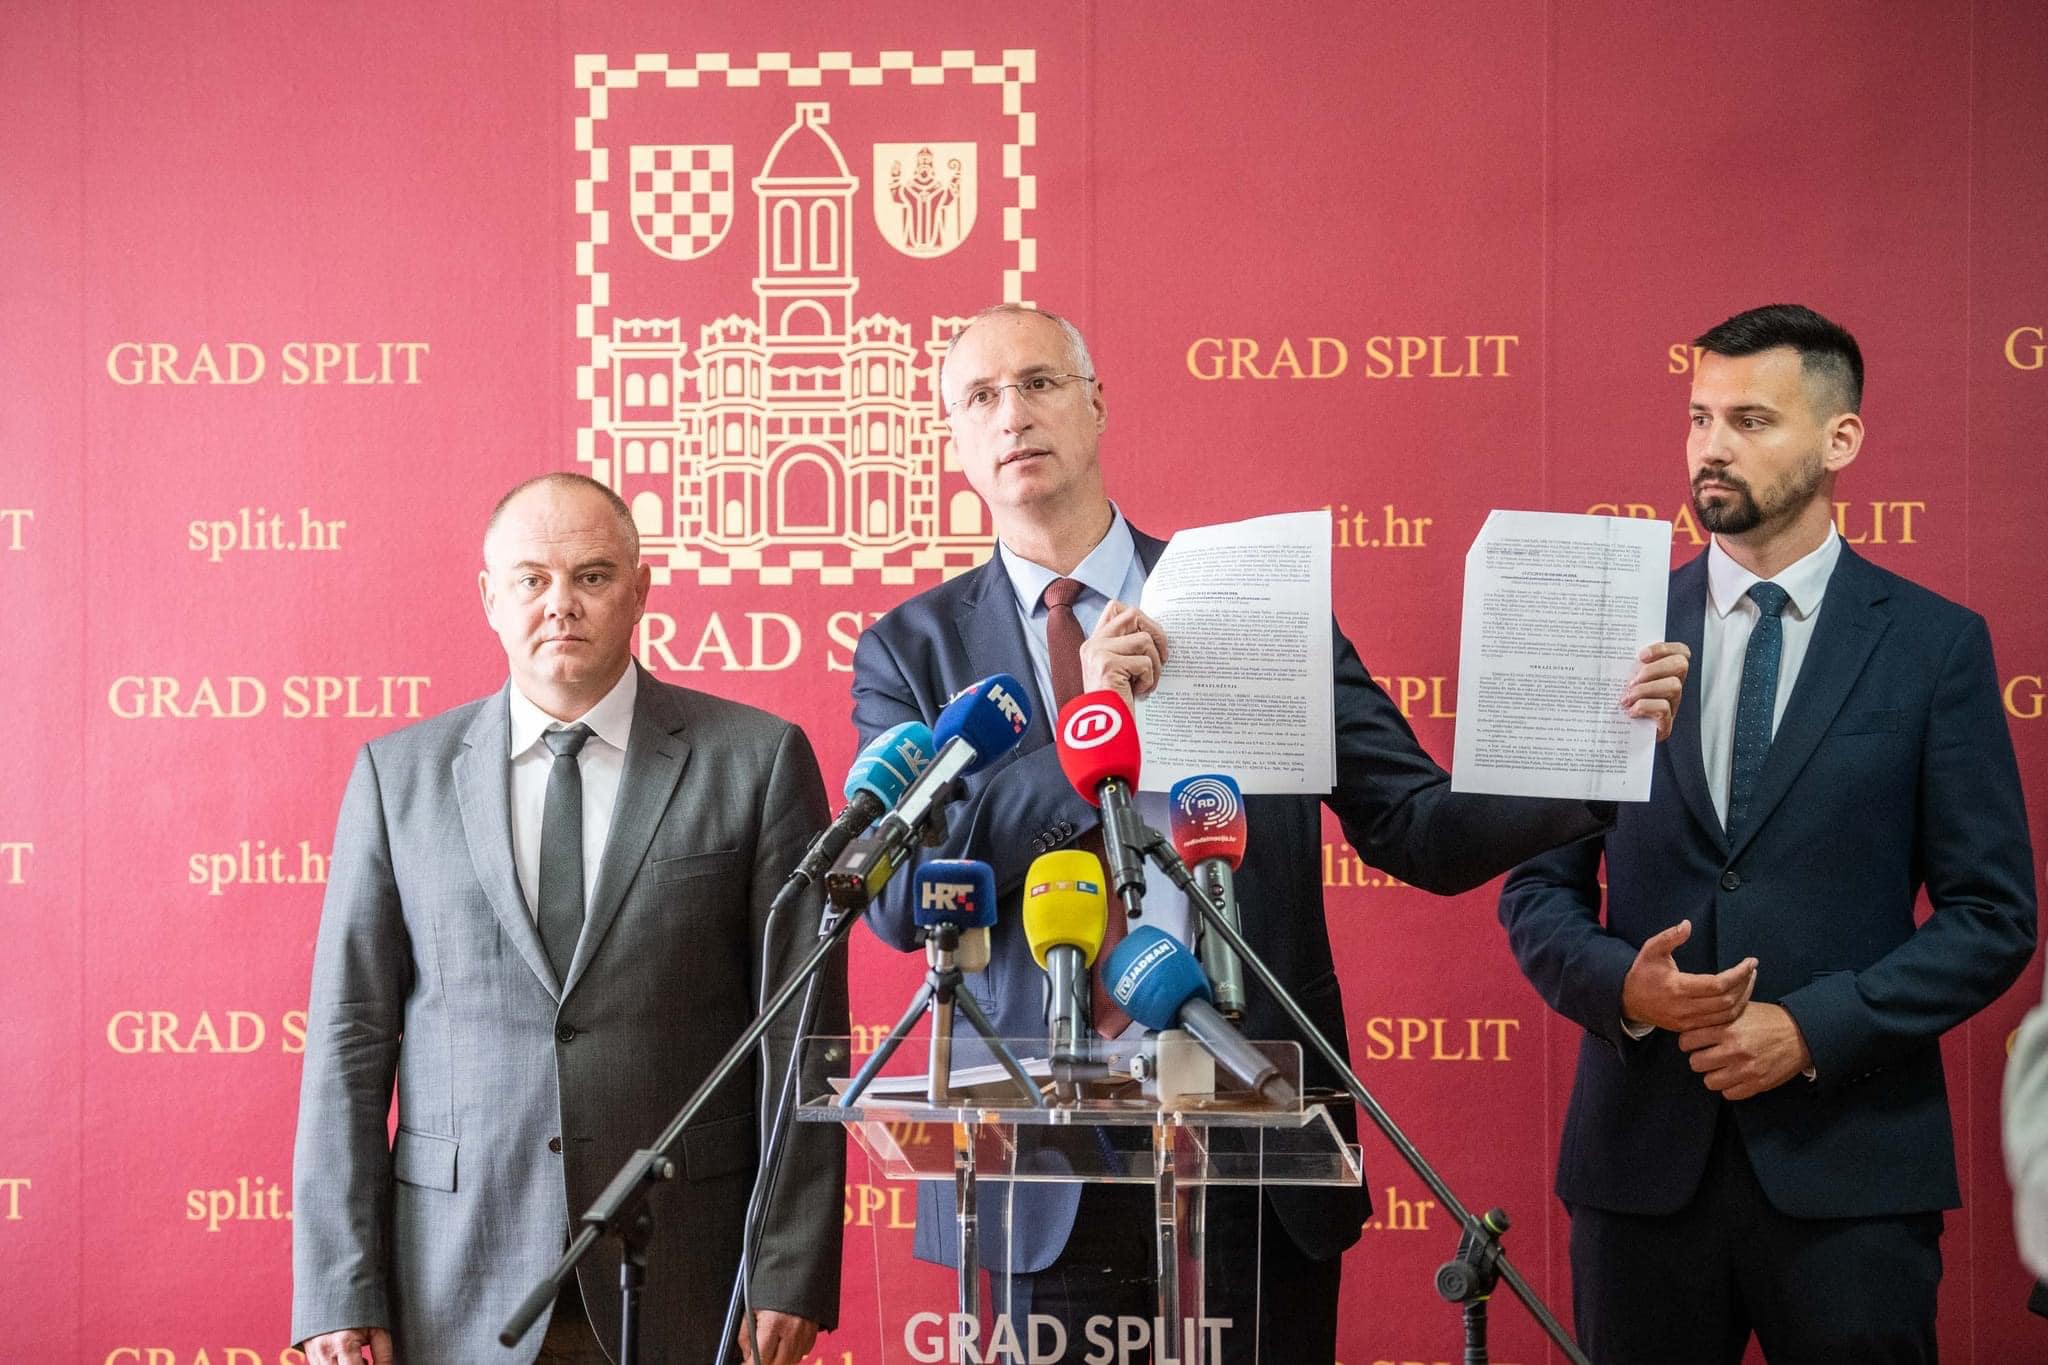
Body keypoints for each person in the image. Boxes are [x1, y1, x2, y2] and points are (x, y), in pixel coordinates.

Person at [849, 304, 1690, 1361]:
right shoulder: (910, 650)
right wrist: (1086, 729)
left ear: (1097, 404)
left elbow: (1416, 828)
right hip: (1032, 1162)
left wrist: (1597, 758)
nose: (1012, 414)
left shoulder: (1252, 607)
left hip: (1251, 1135)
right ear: (954, 440)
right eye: (980, 396)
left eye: (1040, 383)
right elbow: (901, 895)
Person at [1499, 304, 2036, 1363]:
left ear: (1840, 440)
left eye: (1750, 420)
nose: (1711, 446)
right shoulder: (1607, 633)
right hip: (1640, 1175)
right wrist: (1624, 989)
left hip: (1853, 1177)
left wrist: (1811, 1030)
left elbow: (1992, 915)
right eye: (1699, 417)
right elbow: (1534, 890)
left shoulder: (1933, 647)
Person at [291, 473, 845, 1365]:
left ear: (640, 587)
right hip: (453, 1278)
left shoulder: (756, 761)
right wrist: (337, 1283)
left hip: (692, 1274)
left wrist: (789, 1267)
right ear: (489, 598)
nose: (561, 604)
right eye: (531, 579)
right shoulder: (398, 779)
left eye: (591, 575)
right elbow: (349, 1038)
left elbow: (803, 1037)